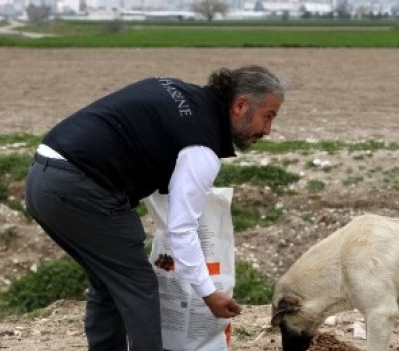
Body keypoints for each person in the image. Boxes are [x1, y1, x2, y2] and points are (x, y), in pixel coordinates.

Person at [24, 65, 285, 351]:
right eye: (268, 116)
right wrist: (208, 293)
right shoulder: (201, 146)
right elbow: (181, 228)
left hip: (43, 178)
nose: (268, 130)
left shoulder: (177, 91)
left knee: (109, 281)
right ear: (240, 105)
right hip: (79, 188)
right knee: (139, 287)